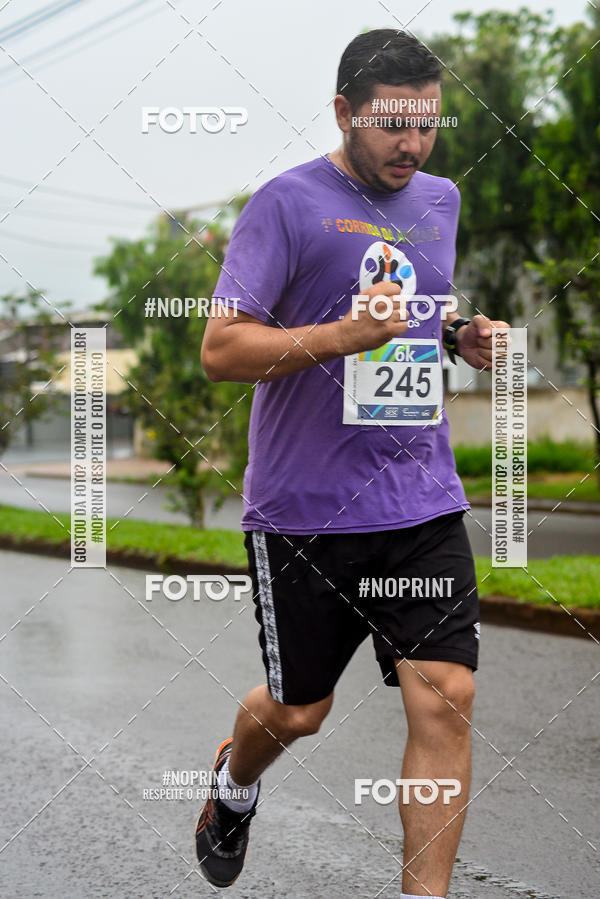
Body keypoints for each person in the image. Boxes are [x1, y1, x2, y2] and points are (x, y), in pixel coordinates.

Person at [197, 27, 508, 897]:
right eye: (391, 126)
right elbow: (222, 348)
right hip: (306, 510)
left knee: (447, 693)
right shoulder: (285, 205)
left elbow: (416, 305)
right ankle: (234, 782)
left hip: (419, 496)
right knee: (301, 708)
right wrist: (341, 335)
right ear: (343, 112)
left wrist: (457, 334)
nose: (413, 146)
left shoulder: (439, 199)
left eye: (428, 125)